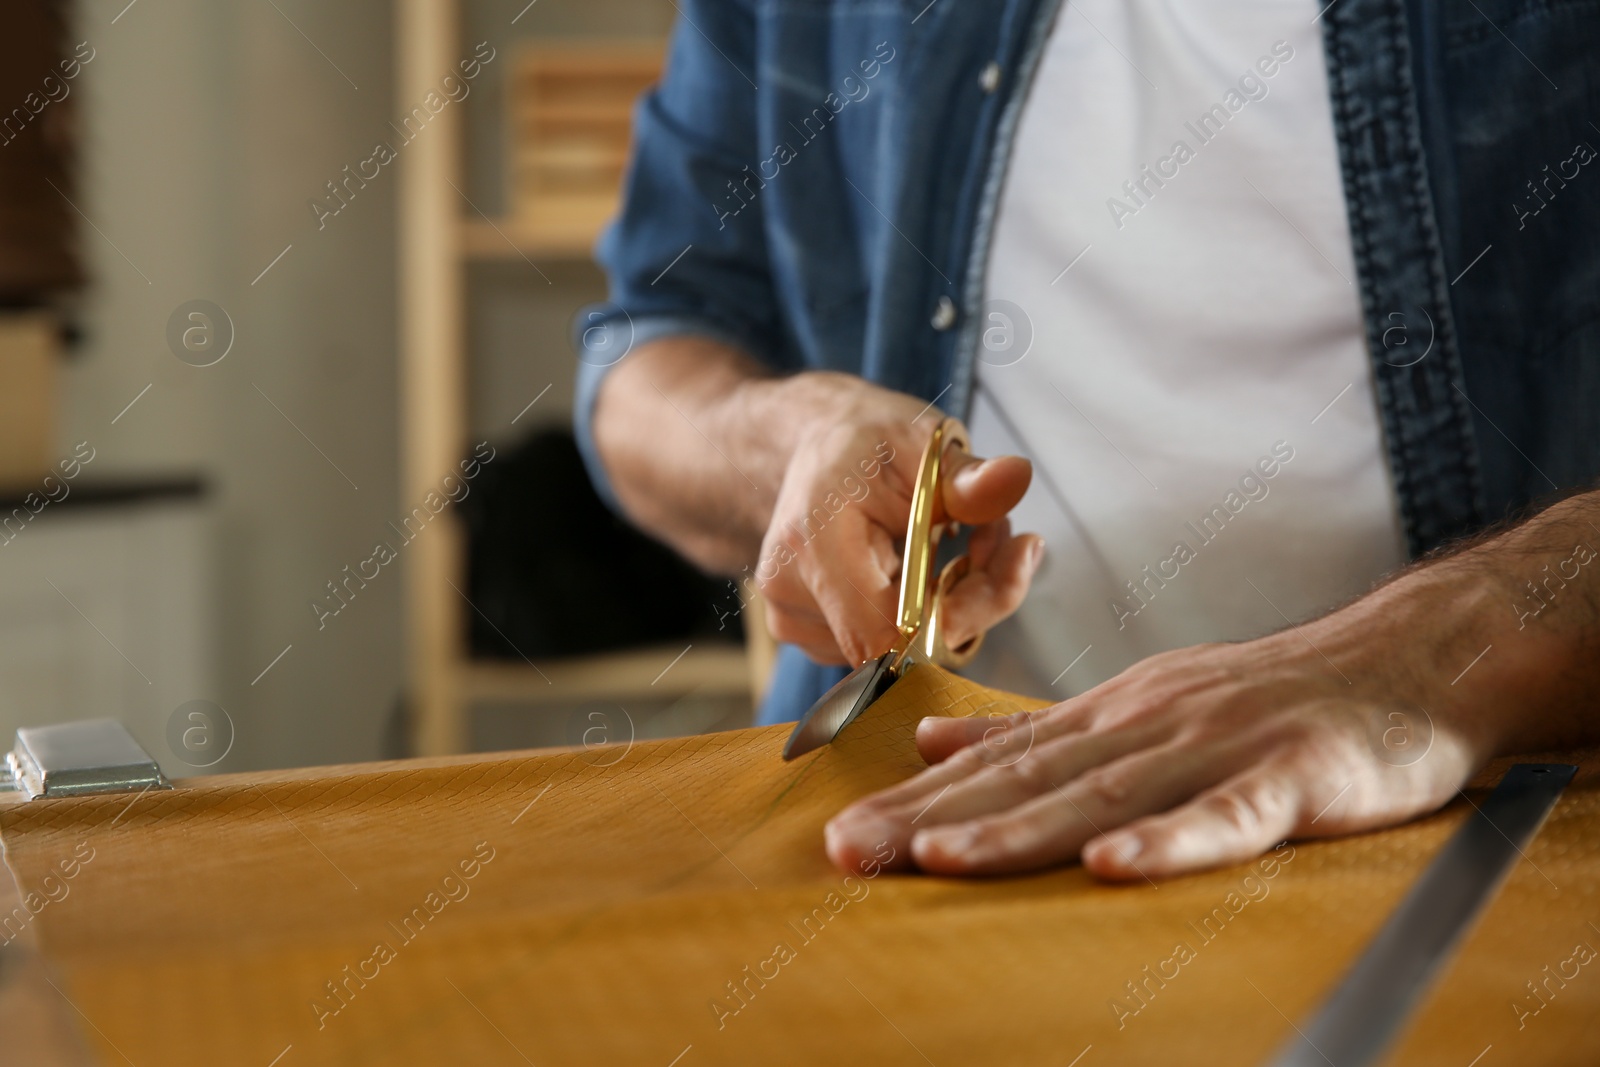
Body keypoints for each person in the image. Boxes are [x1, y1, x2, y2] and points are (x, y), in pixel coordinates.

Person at [573, 0, 1600, 881]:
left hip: (1469, 841)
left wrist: (1436, 652)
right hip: (903, 826)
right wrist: (787, 436)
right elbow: (647, 348)